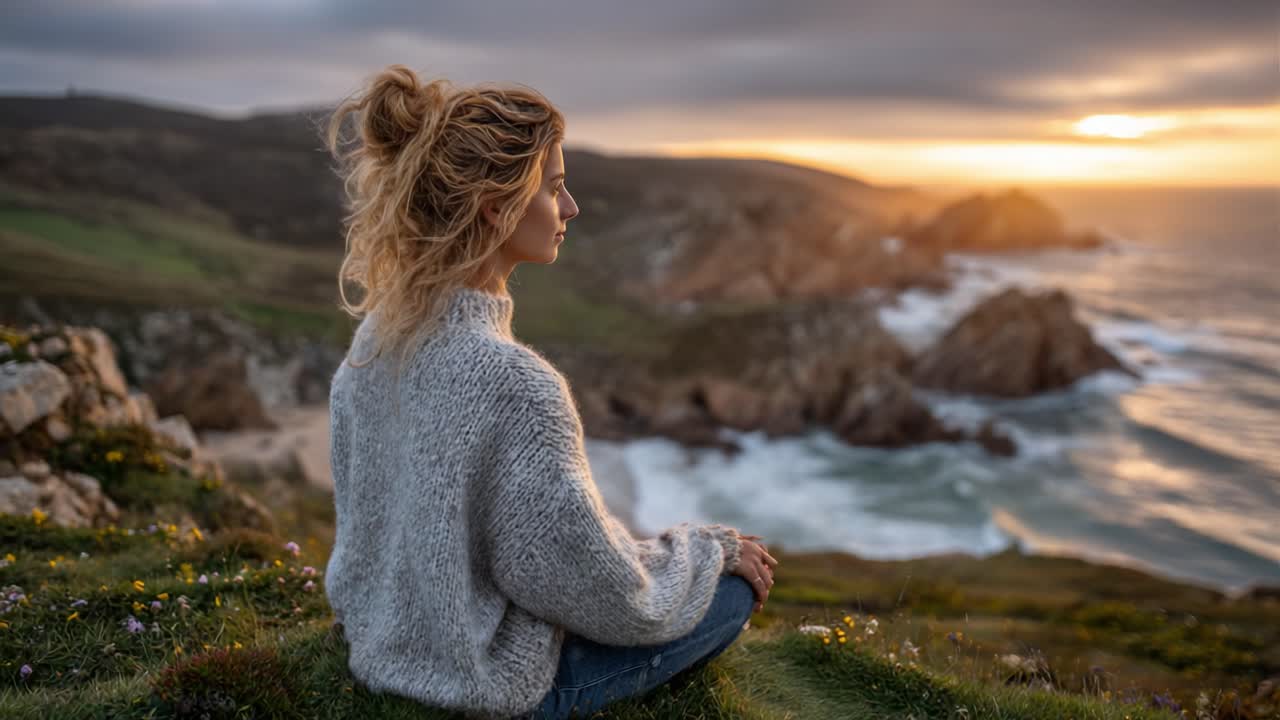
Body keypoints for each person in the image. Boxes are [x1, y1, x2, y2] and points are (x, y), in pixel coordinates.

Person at [321, 64, 779, 720]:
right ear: (495, 206)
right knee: (728, 596)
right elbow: (598, 586)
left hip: (380, 651)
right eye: (555, 189)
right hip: (482, 686)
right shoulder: (518, 387)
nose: (571, 208)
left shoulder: (373, 345)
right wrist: (708, 549)